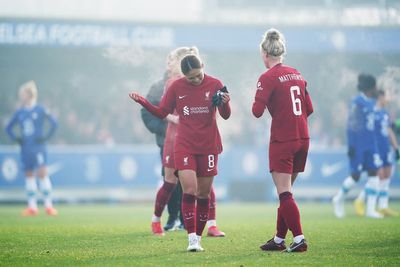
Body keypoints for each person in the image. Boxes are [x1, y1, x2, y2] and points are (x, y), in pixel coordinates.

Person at [129, 54, 231, 252]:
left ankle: (199, 237)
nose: (196, 80)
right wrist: (143, 102)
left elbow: (226, 115)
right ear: (184, 76)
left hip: (209, 145)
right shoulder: (176, 87)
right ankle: (192, 239)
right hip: (184, 144)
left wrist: (225, 102)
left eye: (198, 75)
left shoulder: (215, 84)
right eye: (191, 78)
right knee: (189, 190)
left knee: (203, 194)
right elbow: (161, 112)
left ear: (203, 66)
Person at [252, 28, 313, 253]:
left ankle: (299, 239)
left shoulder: (267, 77)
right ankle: (279, 240)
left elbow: (256, 111)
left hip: (283, 139)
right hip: (302, 137)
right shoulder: (297, 73)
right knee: (286, 192)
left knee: (284, 192)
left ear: (264, 54)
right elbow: (310, 108)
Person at [332, 74, 383, 219]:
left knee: (374, 173)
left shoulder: (373, 102)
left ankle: (371, 210)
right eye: (374, 86)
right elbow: (351, 124)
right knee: (356, 175)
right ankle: (338, 198)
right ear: (369, 88)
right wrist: (352, 145)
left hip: (371, 145)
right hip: (359, 145)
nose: (376, 89)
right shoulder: (357, 102)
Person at [5, 80, 58, 216]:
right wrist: (16, 139)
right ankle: (32, 207)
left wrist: (46, 137)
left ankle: (48, 206)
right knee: (29, 175)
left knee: (42, 173)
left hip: (39, 148)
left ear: (29, 94)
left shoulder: (40, 109)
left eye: (22, 94)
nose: (20, 97)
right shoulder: (20, 112)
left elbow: (54, 123)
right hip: (26, 149)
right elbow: (8, 128)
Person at [354, 89, 400, 217]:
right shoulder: (371, 112)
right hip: (376, 149)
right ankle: (360, 200)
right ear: (380, 97)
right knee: (377, 176)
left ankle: (383, 206)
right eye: (386, 96)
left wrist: (396, 147)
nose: (387, 99)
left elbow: (389, 131)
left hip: (386, 148)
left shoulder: (384, 114)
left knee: (386, 175)